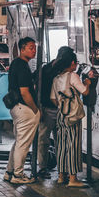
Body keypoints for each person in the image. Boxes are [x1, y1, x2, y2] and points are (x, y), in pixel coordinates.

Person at [50, 51, 92, 188]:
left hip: (61, 115)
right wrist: (87, 83)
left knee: (61, 146)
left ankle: (61, 176)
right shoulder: (72, 76)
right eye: (76, 63)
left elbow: (53, 98)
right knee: (73, 146)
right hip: (72, 116)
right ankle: (73, 179)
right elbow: (85, 92)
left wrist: (63, 106)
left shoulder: (56, 78)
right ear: (72, 63)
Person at [3, 37, 40, 184]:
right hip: (24, 108)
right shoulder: (22, 66)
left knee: (18, 142)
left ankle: (10, 172)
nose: (34, 50)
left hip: (15, 108)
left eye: (35, 47)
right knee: (23, 145)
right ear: (22, 49)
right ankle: (18, 176)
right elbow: (25, 92)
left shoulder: (16, 64)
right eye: (30, 47)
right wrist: (36, 110)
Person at [36, 46, 74, 179]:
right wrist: (38, 107)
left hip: (61, 110)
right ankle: (42, 168)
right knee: (43, 140)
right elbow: (35, 85)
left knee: (61, 141)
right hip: (47, 109)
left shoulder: (64, 71)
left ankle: (63, 170)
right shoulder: (46, 70)